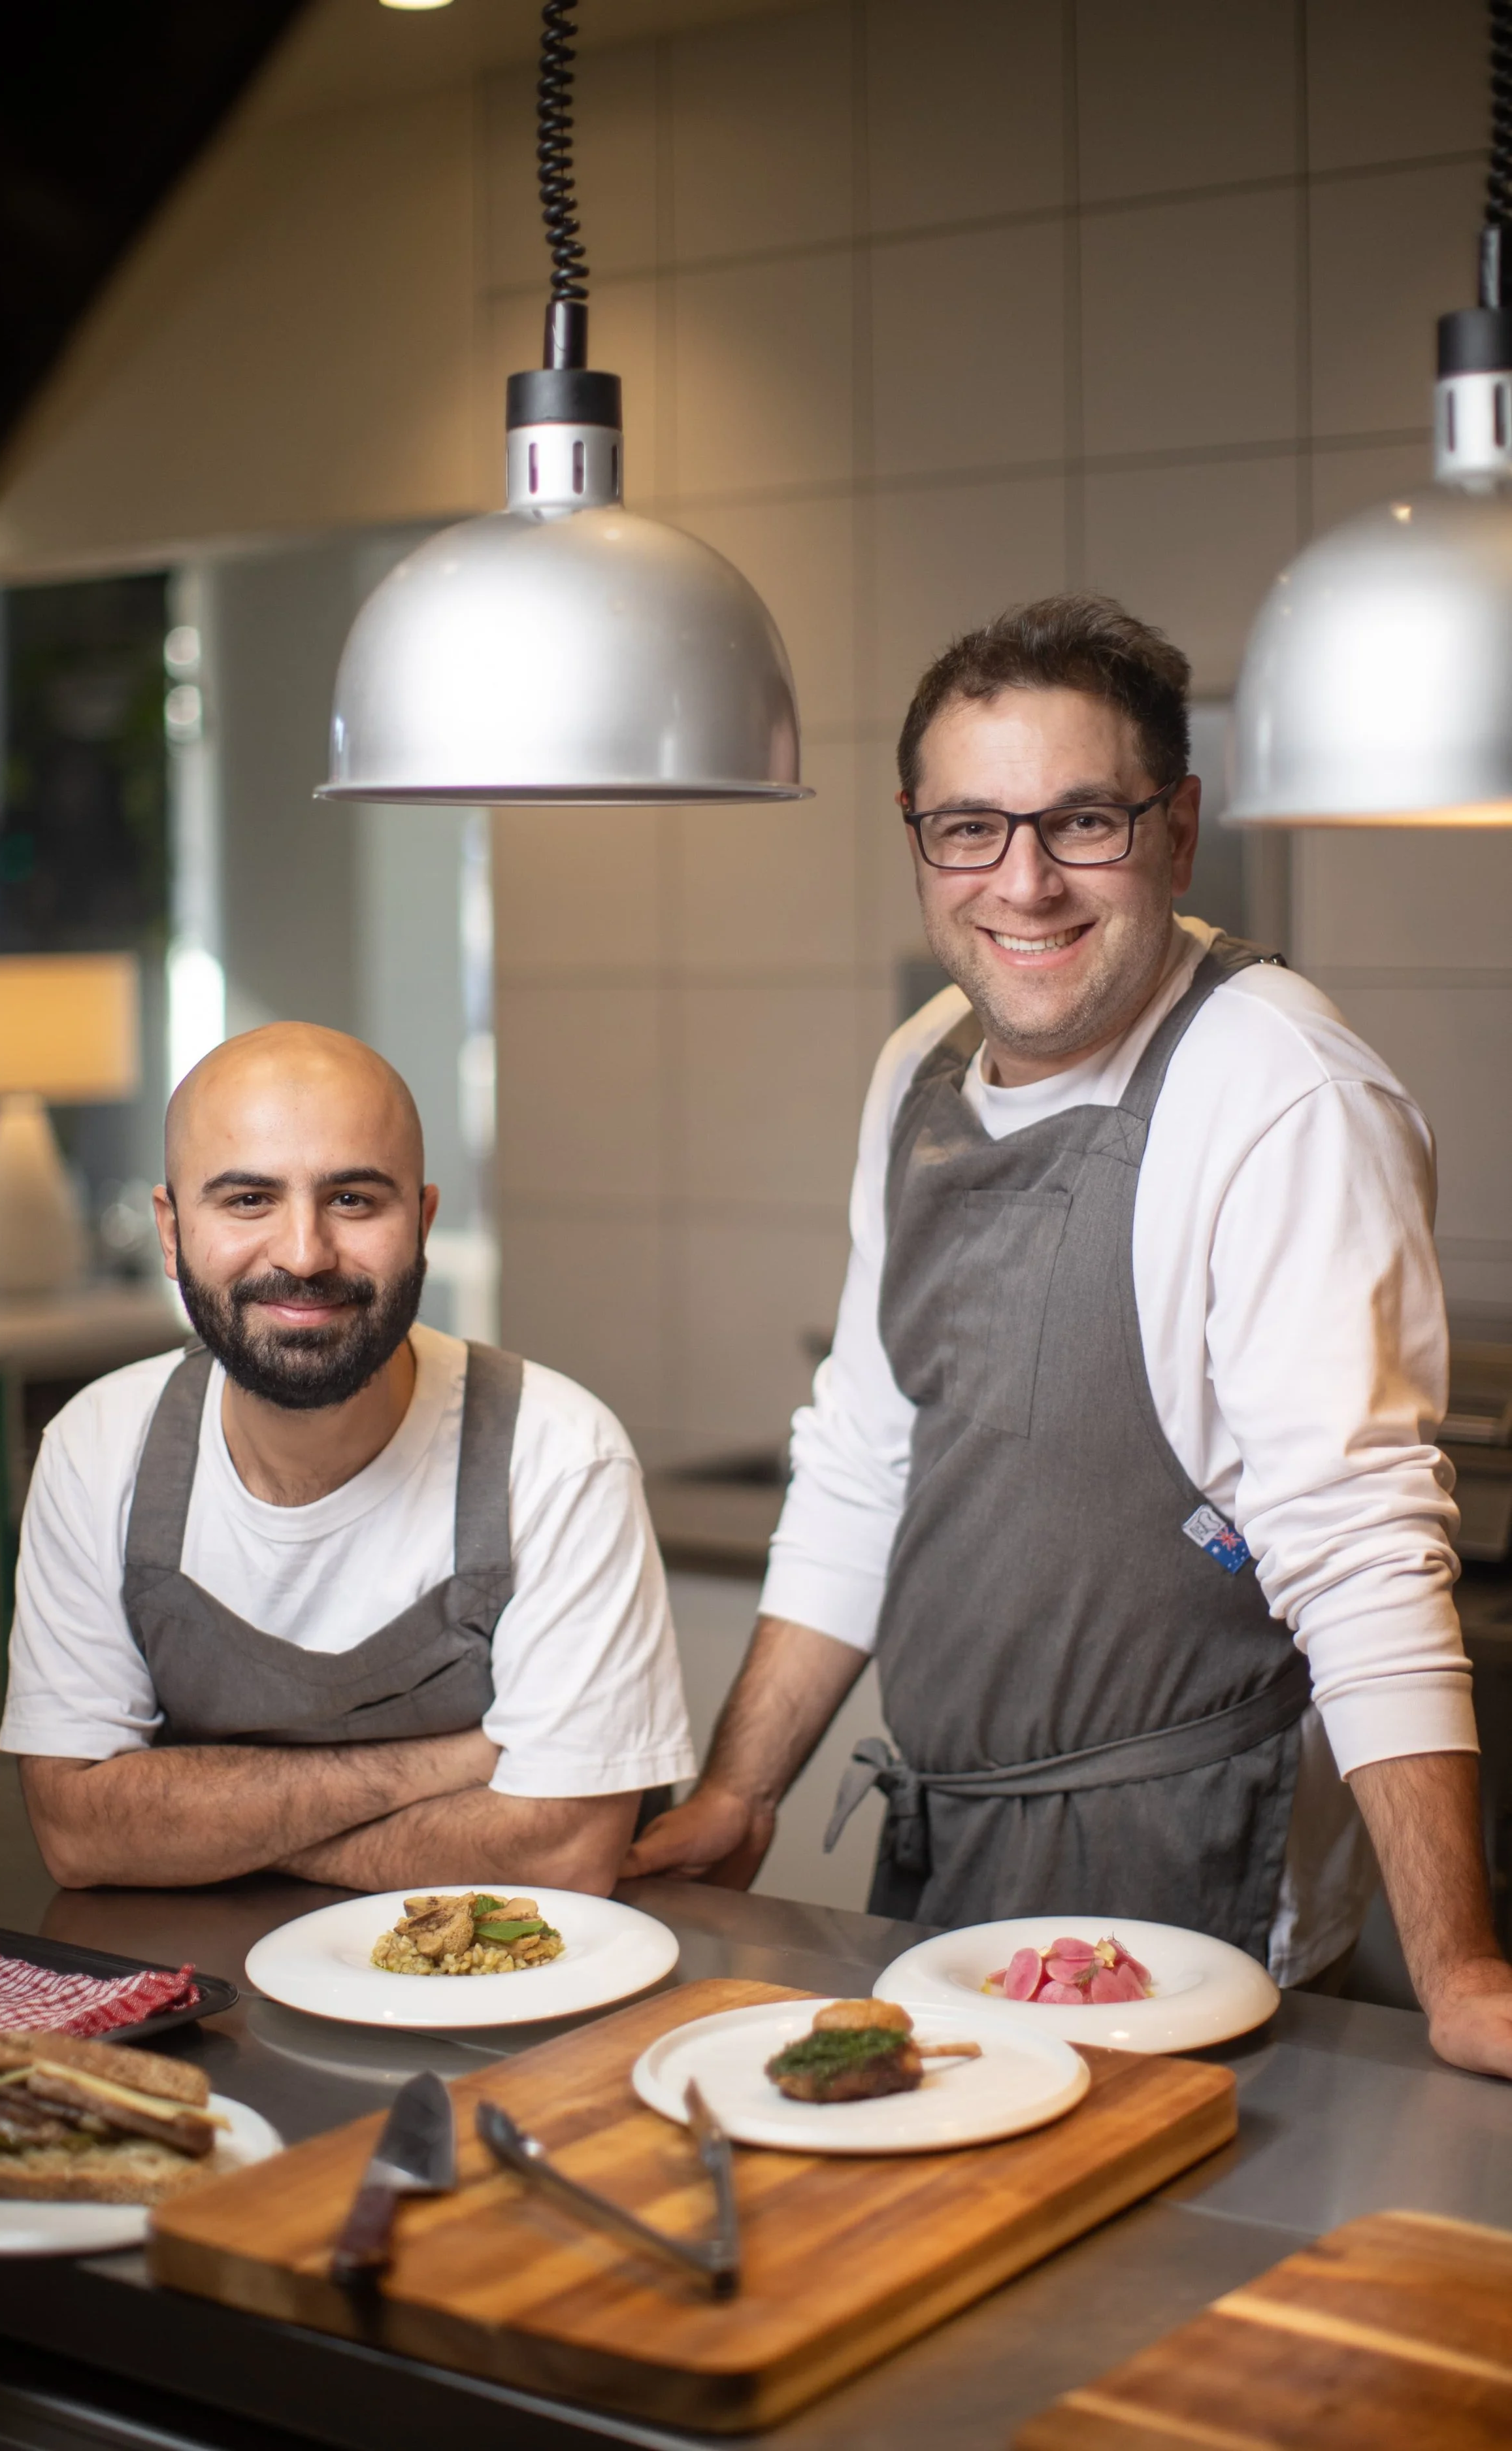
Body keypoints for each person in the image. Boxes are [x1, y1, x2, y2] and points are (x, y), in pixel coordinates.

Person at [628, 593, 1512, 2078]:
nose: (1021, 884)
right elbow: (865, 1453)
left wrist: (1462, 1968)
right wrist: (738, 1794)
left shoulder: (1279, 1090)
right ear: (916, 836)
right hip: (951, 1840)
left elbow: (1356, 1544)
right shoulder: (918, 1066)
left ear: (1174, 829)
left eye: (1080, 824)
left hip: (1194, 1854)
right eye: (968, 827)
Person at [3, 1022, 694, 1892]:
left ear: (424, 1221)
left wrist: (196, 1831)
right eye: (248, 1199)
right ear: (172, 1230)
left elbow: (562, 1852)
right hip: (202, 1991)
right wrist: (456, 1764)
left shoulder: (558, 1453)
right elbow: (77, 1833)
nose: (303, 1253)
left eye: (355, 1200)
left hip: (520, 2002)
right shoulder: (99, 1448)